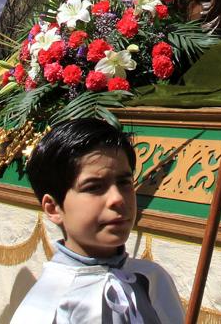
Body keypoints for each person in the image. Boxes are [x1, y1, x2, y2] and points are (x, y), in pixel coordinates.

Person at [10, 118, 183, 323]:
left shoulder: (152, 278)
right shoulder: (45, 308)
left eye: (124, 182)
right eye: (94, 187)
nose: (118, 198)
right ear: (53, 208)